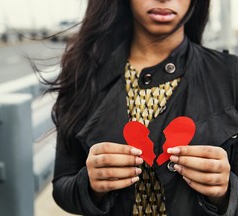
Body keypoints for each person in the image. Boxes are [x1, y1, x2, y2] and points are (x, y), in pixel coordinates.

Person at [46, 0, 238, 215]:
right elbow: (62, 186)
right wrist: (90, 186)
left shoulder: (231, 75)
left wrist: (226, 191)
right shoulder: (83, 75)